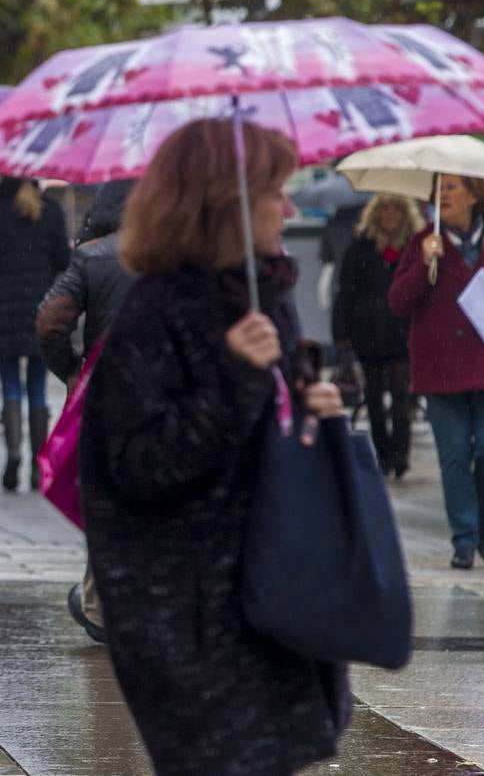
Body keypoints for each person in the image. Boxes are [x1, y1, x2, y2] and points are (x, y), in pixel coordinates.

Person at [79, 119, 350, 775]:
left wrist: (312, 410)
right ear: (224, 204)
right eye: (273, 193)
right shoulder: (156, 310)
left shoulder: (264, 296)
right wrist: (232, 378)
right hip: (187, 615)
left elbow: (267, 438)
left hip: (265, 592)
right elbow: (141, 468)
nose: (288, 208)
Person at [389, 174, 484, 569]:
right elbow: (399, 301)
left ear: (476, 194)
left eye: (453, 187)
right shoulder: (423, 241)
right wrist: (425, 263)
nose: (445, 195)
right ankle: (464, 539)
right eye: (440, 188)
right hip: (440, 367)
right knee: (454, 456)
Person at [36, 179, 136, 644]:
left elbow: (50, 321)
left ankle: (100, 605)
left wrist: (72, 371)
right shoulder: (183, 253)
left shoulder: (93, 255)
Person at [0, 177, 70, 491]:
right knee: (38, 386)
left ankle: (13, 455)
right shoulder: (50, 211)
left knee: (10, 382)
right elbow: (63, 259)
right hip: (40, 307)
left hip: (0, 308)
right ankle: (39, 466)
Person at [332, 194, 424, 479]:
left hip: (402, 332)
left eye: (396, 207)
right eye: (384, 207)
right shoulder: (361, 246)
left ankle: (401, 454)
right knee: (373, 396)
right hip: (368, 332)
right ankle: (382, 454)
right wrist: (342, 336)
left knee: (401, 394)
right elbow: (345, 291)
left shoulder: (416, 247)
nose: (390, 213)